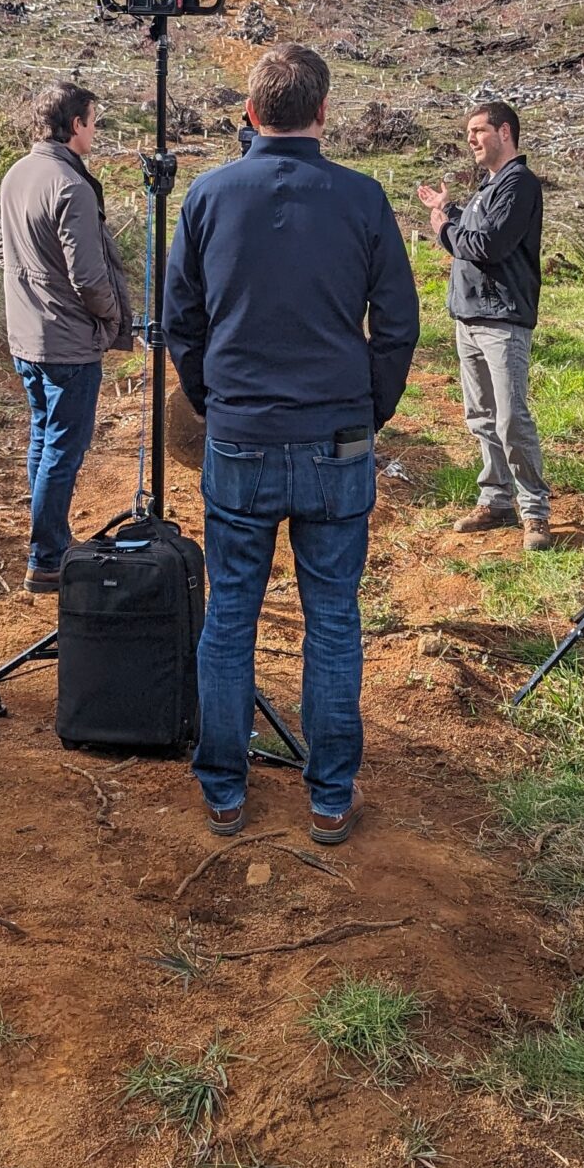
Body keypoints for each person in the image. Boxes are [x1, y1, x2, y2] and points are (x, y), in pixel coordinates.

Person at [166, 45, 419, 846]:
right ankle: (330, 794)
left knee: (231, 615)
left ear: (250, 114)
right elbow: (398, 324)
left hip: (241, 435)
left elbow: (181, 322)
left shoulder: (208, 195)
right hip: (335, 437)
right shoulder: (363, 198)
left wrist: (216, 402)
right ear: (323, 113)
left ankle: (224, 787)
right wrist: (367, 410)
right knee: (333, 618)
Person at [0, 81, 134, 592]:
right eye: (93, 120)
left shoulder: (16, 174)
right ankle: (49, 556)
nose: (95, 130)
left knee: (42, 438)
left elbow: (3, 251)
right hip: (68, 342)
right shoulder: (71, 185)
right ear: (75, 124)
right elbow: (89, 276)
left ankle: (47, 546)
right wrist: (111, 321)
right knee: (62, 450)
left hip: (26, 336)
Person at [417, 100, 552, 551]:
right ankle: (496, 499)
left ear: (506, 132)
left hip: (502, 321)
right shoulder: (489, 186)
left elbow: (489, 244)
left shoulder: (520, 184)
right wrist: (449, 210)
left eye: (479, 130)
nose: (471, 139)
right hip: (470, 317)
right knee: (481, 417)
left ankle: (534, 510)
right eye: (469, 132)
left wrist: (442, 231)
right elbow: (475, 230)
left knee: (512, 418)